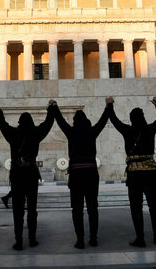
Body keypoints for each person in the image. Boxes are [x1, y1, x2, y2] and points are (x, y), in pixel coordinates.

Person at [51, 98, 109, 248]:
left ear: (75, 121)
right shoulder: (92, 132)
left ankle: (80, 240)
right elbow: (103, 120)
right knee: (92, 207)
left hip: (76, 175)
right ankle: (93, 238)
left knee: (77, 209)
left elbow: (60, 121)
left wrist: (54, 107)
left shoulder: (71, 132)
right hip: (90, 174)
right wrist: (109, 105)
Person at [0, 105, 54, 251]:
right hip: (31, 174)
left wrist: (0, 113)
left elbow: (2, 125)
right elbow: (48, 123)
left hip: (17, 174)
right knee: (32, 209)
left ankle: (19, 241)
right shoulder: (36, 133)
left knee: (18, 210)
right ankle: (32, 239)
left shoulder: (13, 134)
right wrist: (51, 110)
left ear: (20, 122)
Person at [109, 96, 156, 247]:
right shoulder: (150, 129)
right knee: (154, 206)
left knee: (136, 207)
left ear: (131, 119)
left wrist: (109, 105)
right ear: (143, 118)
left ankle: (140, 238)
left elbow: (113, 119)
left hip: (134, 174)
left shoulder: (127, 130)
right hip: (151, 172)